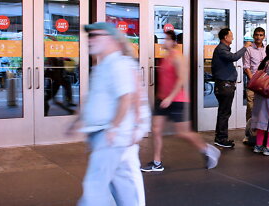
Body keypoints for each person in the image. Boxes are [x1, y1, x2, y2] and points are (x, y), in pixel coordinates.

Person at [67, 22, 149, 206]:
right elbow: (98, 98)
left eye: (95, 35)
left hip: (111, 136)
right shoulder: (102, 65)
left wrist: (119, 127)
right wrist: (79, 119)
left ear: (111, 39)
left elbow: (128, 97)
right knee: (122, 185)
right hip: (106, 135)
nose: (90, 40)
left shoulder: (118, 64)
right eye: (89, 36)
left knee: (95, 187)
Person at [141, 30, 220, 172]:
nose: (163, 42)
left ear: (174, 42)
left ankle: (207, 150)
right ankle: (157, 162)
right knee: (156, 129)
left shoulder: (178, 57)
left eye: (166, 39)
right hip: (162, 99)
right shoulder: (166, 57)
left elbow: (182, 79)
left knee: (182, 133)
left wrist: (170, 97)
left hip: (177, 99)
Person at [212, 28, 251, 148]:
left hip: (225, 85)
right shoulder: (221, 49)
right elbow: (233, 57)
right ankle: (221, 139)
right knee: (224, 112)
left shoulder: (222, 49)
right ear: (225, 37)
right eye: (231, 36)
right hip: (225, 85)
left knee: (223, 112)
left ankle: (220, 137)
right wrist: (245, 47)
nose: (232, 38)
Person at [242, 27, 266, 143]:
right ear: (253, 36)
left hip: (265, 84)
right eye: (257, 35)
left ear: (264, 37)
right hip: (252, 83)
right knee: (251, 109)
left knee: (264, 109)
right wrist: (254, 81)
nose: (258, 37)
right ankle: (248, 135)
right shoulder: (249, 50)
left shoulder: (268, 50)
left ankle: (261, 134)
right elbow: (246, 67)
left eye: (261, 35)